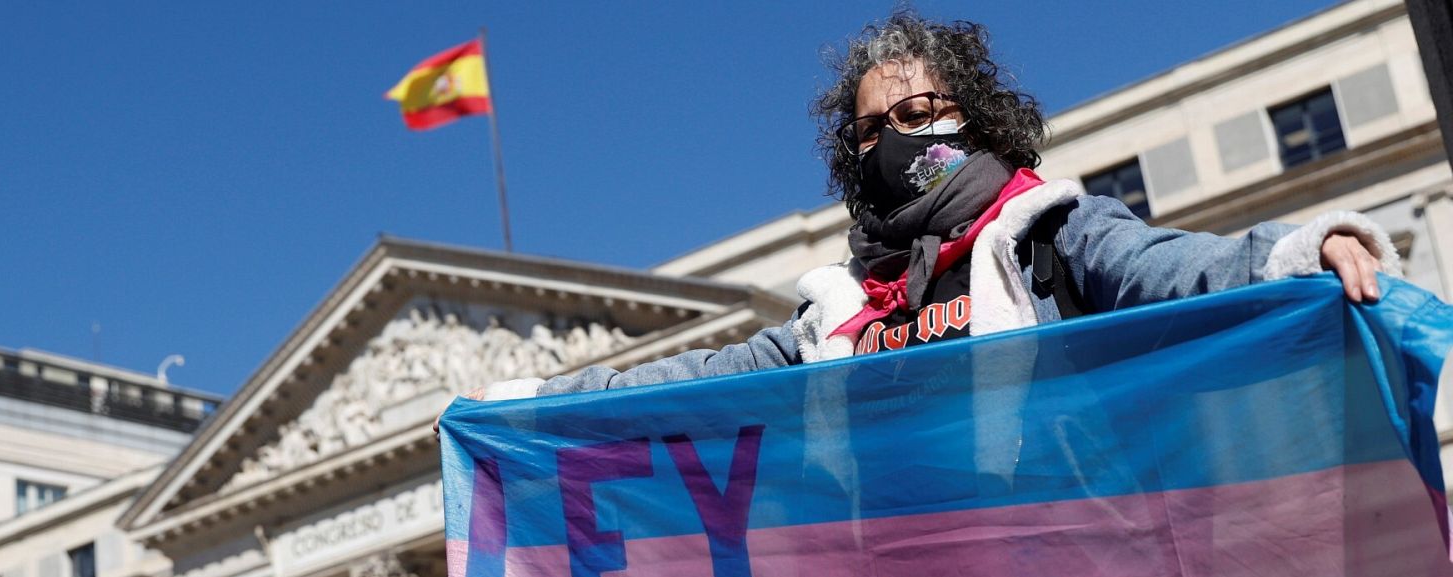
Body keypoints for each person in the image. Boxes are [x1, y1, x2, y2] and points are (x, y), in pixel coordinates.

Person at [472, 11, 1398, 402]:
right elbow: (697, 380)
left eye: (922, 113)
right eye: (875, 128)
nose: (900, 139)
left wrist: (1301, 246)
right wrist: (533, 399)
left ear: (976, 119)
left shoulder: (1049, 231)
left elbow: (1174, 271)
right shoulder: (834, 309)